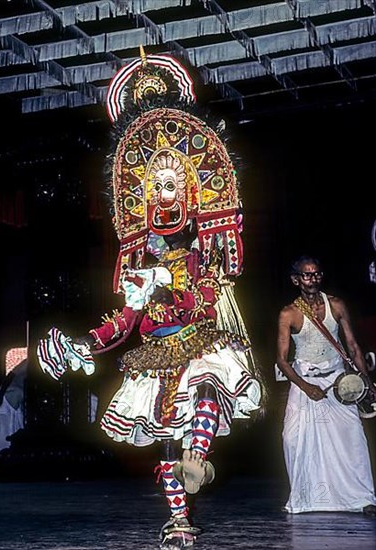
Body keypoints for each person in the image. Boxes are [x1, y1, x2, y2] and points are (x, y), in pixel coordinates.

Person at [36, 48, 266, 549]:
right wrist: (83, 344)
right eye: (153, 185)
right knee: (162, 440)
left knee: (208, 388)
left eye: (171, 183)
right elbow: (125, 320)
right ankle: (178, 518)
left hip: (196, 341)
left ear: (188, 192)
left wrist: (171, 285)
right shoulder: (139, 265)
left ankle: (198, 458)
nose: (162, 193)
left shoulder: (200, 257)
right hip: (152, 356)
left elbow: (202, 301)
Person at [276, 255, 376, 516]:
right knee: (293, 439)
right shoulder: (289, 313)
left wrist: (366, 382)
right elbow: (282, 360)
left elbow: (353, 347)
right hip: (304, 380)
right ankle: (305, 499)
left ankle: (362, 498)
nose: (313, 279)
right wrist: (306, 387)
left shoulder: (336, 305)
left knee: (352, 437)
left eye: (317, 274)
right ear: (295, 280)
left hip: (338, 381)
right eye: (307, 275)